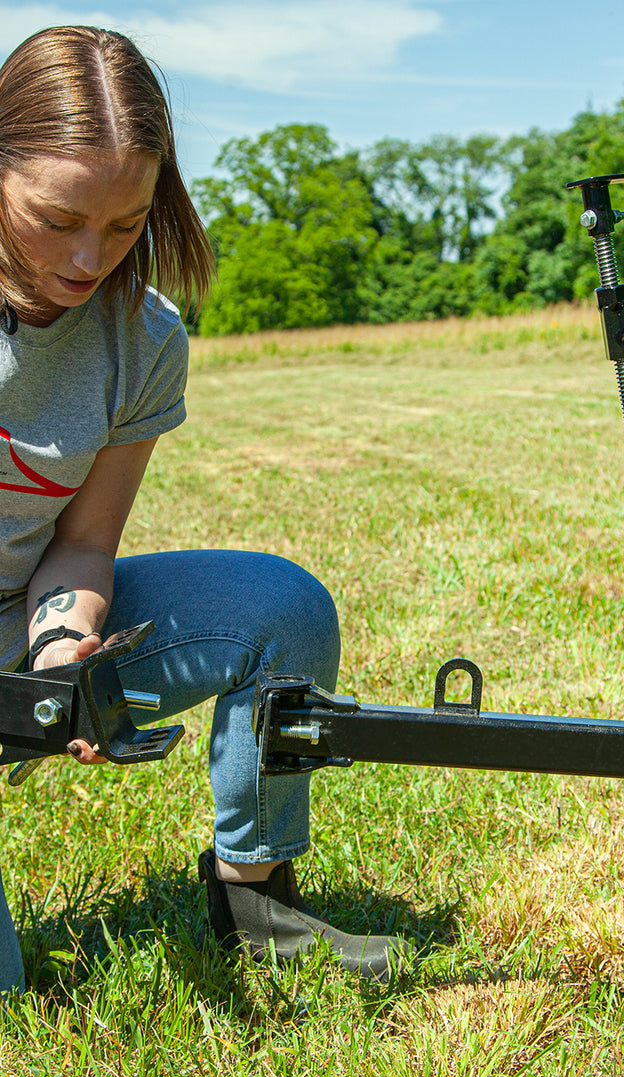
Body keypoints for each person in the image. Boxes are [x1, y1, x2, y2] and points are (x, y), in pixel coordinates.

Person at [0, 26, 404, 994]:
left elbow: (85, 541)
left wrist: (63, 659)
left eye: (129, 223)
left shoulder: (142, 338)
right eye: (58, 219)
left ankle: (252, 896)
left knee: (276, 609)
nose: (89, 257)